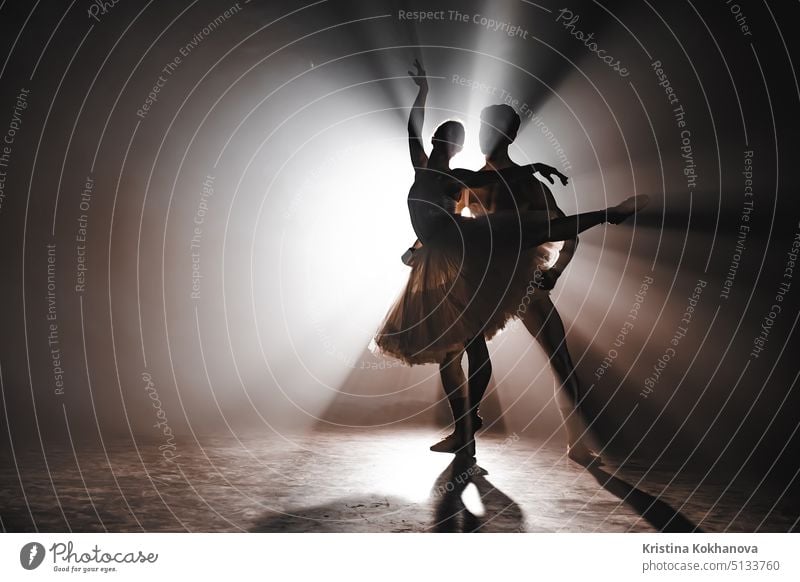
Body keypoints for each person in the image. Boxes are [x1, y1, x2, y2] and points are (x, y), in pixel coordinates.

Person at [373, 61, 648, 457]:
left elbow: (549, 223)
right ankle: (466, 428)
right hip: (473, 266)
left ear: (509, 134)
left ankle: (577, 437)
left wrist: (553, 269)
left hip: (507, 267)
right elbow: (441, 213)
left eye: (488, 131)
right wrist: (417, 248)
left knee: (555, 347)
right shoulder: (451, 176)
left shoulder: (492, 182)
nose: (482, 137)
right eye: (477, 131)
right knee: (455, 349)